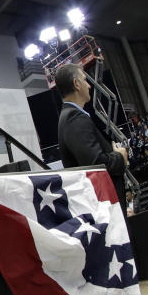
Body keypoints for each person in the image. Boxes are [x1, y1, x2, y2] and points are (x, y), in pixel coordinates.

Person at [55, 63, 129, 213]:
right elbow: (95, 164)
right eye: (85, 80)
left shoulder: (70, 116)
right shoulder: (74, 118)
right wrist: (119, 157)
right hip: (104, 208)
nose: (89, 86)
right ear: (76, 84)